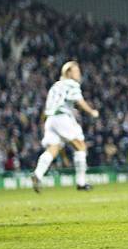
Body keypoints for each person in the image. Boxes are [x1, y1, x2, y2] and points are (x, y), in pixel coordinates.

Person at [31, 61, 99, 192]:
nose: (79, 74)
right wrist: (91, 112)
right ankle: (81, 182)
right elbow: (79, 101)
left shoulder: (55, 86)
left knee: (53, 148)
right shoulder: (71, 84)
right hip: (62, 117)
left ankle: (38, 174)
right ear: (68, 73)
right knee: (80, 146)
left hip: (50, 119)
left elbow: (48, 106)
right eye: (76, 71)